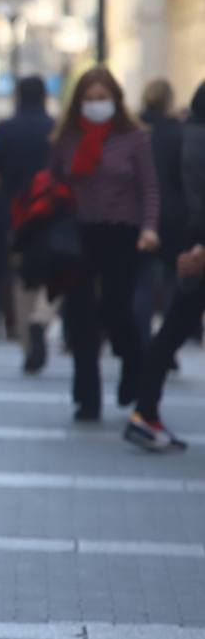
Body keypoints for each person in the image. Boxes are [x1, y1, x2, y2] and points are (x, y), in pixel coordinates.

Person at [50, 67, 160, 421]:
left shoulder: (134, 138)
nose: (96, 105)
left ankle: (132, 367)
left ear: (115, 100)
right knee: (80, 318)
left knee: (116, 311)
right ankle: (87, 396)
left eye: (102, 98)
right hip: (78, 234)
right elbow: (52, 184)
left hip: (122, 232)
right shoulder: (65, 139)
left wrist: (149, 227)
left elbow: (149, 187)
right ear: (78, 102)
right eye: (90, 99)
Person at [130, 81, 205, 451]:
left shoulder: (182, 135)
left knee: (174, 326)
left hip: (187, 245)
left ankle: (145, 411)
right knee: (174, 327)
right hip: (196, 249)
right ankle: (144, 412)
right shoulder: (197, 143)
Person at [0, 75, 58, 372]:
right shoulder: (55, 128)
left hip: (13, 210)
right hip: (51, 209)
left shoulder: (5, 129)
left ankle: (27, 341)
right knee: (56, 272)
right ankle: (42, 318)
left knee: (20, 276)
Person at [133, 79, 188, 353]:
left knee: (142, 281)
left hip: (139, 213)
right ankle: (167, 346)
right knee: (170, 281)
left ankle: (143, 341)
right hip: (174, 215)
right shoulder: (176, 132)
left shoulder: (134, 130)